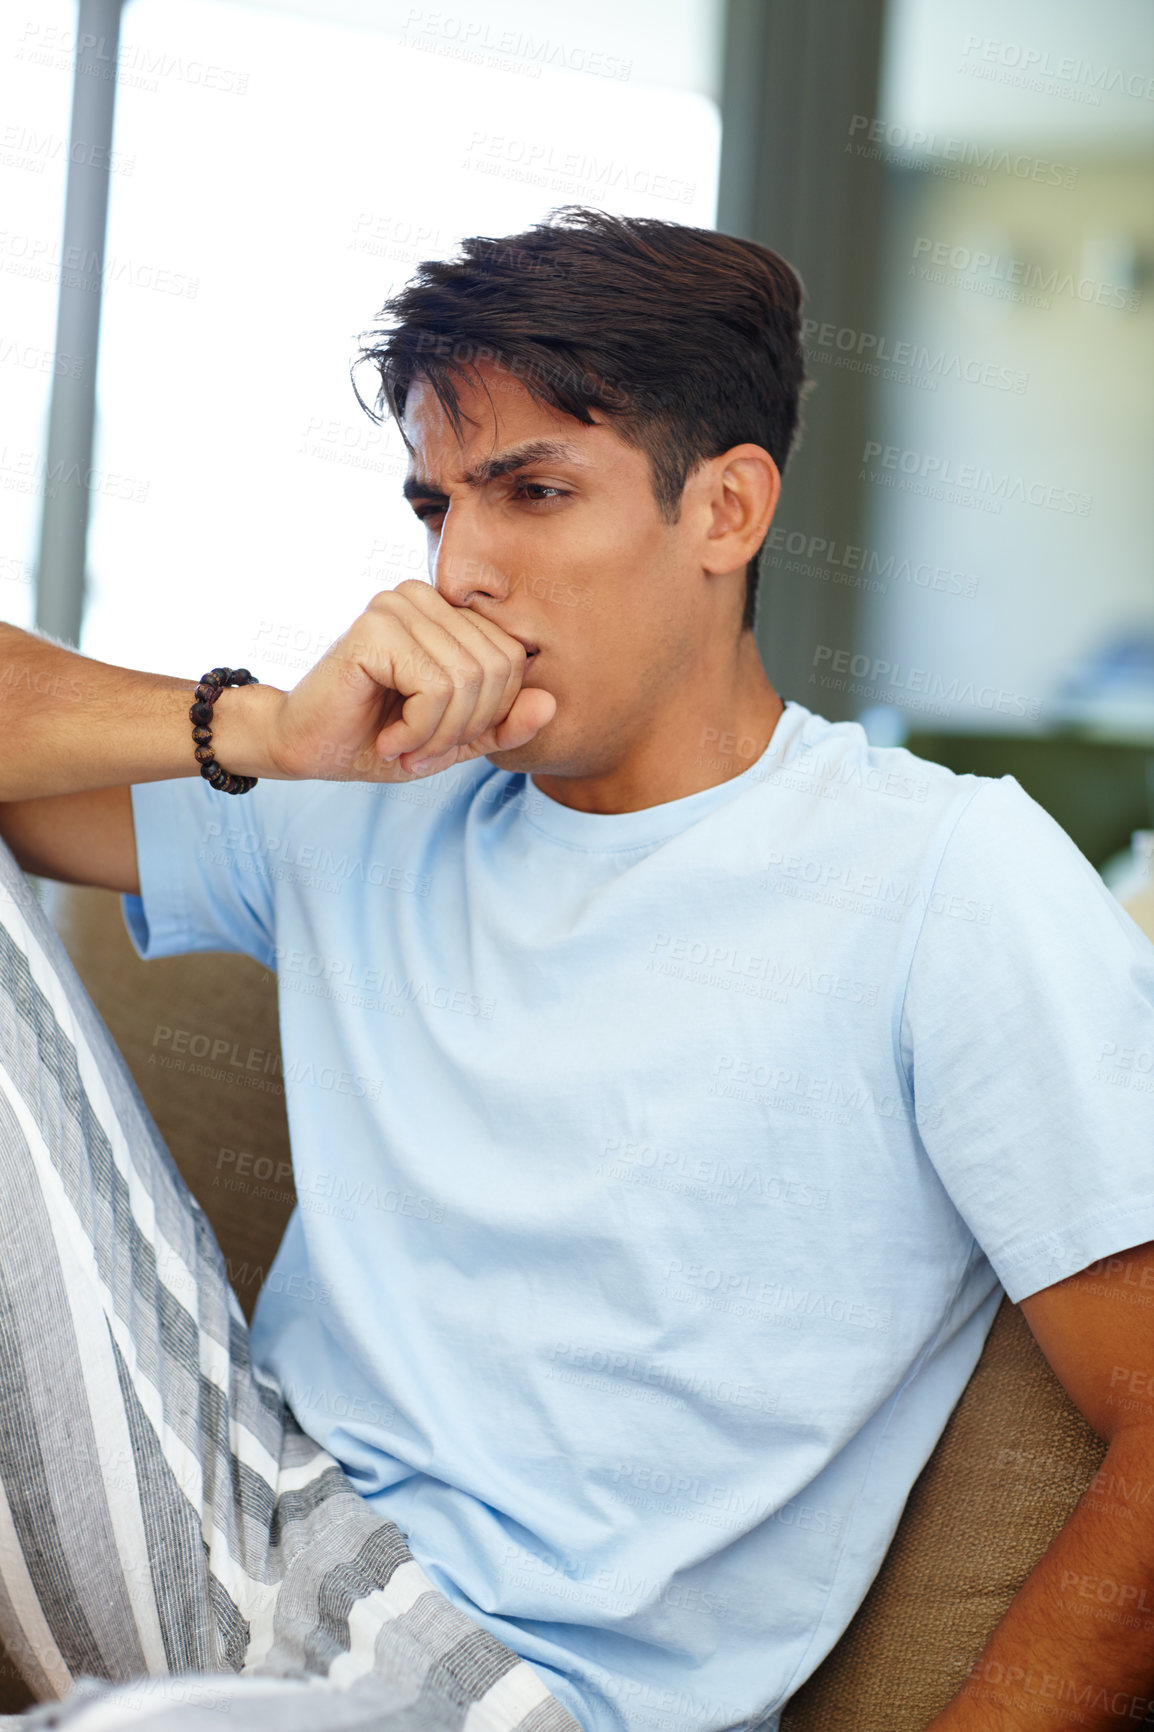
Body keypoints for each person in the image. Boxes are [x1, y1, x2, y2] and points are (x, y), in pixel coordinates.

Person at [0, 205, 1152, 1732]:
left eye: (532, 492)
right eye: (432, 506)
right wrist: (268, 729)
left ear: (727, 512)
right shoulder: (378, 789)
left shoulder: (946, 876)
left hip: (514, 1693)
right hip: (245, 1540)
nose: (459, 567)